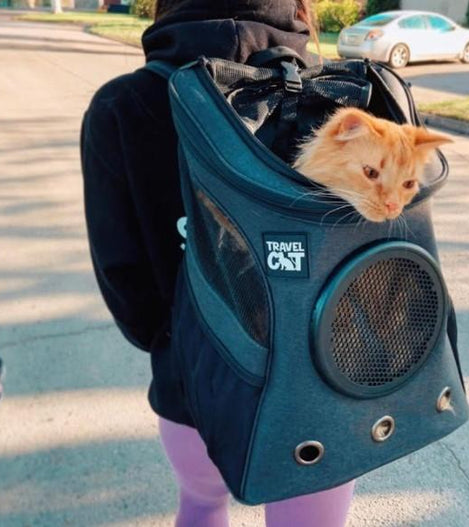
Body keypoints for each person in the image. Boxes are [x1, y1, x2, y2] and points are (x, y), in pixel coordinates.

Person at [80, 1, 356, 526]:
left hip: (196, 388)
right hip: (324, 395)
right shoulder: (347, 103)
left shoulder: (123, 108)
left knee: (202, 506)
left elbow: (129, 293)